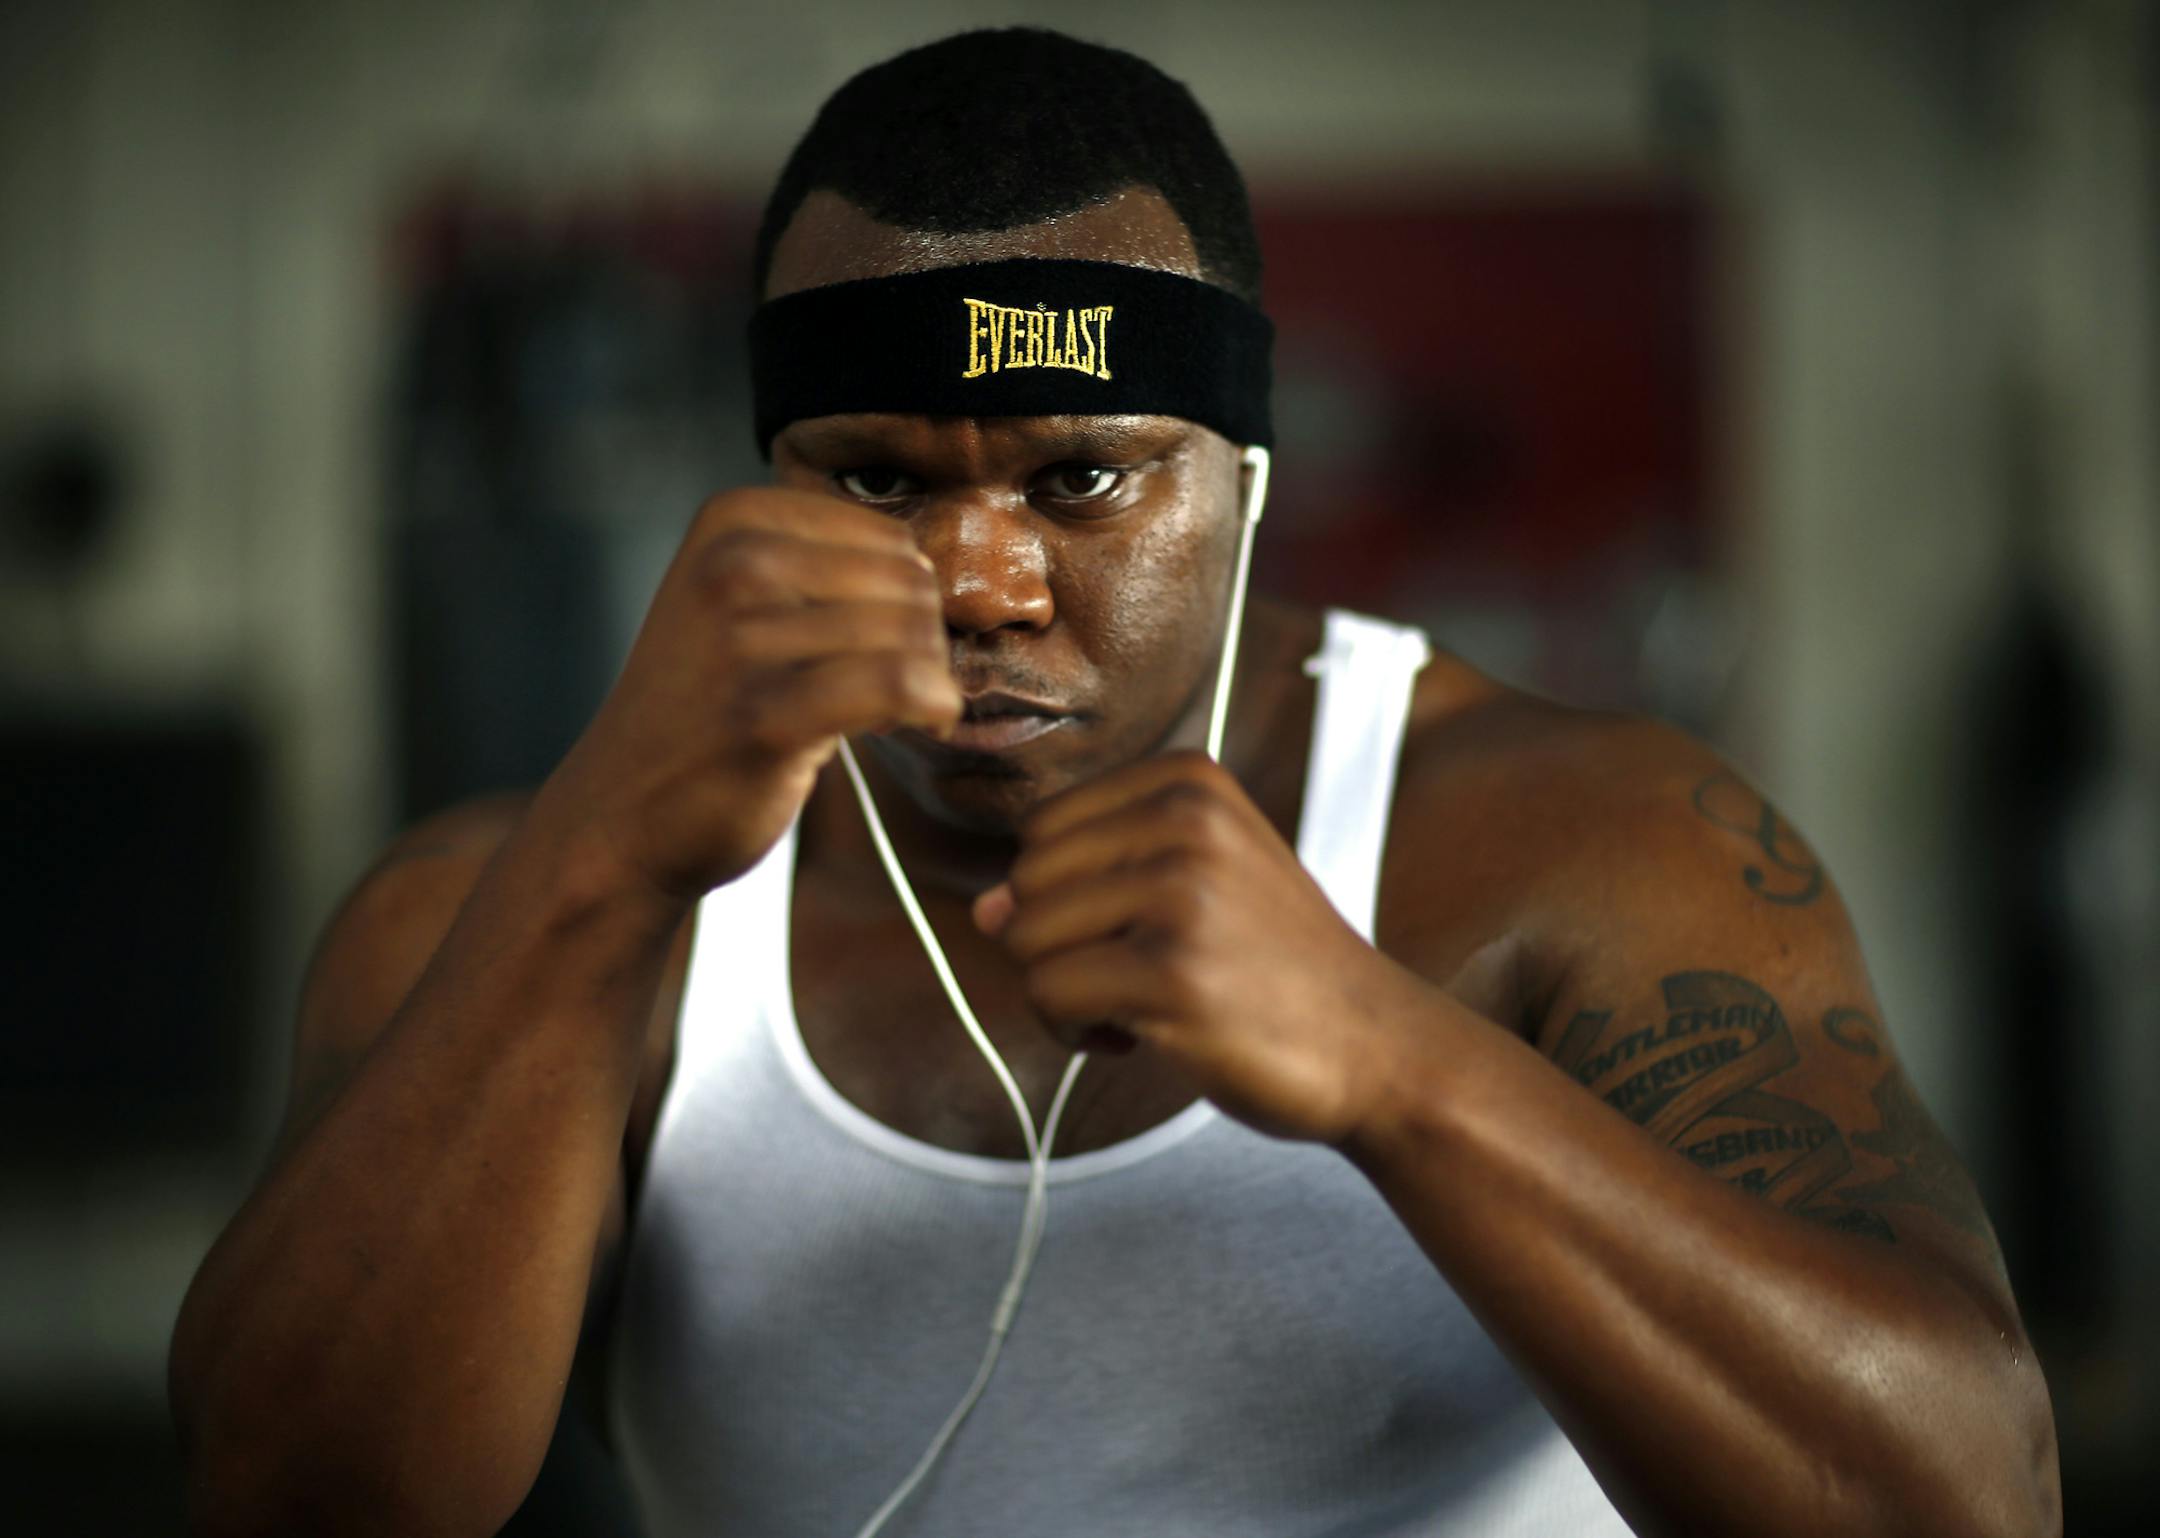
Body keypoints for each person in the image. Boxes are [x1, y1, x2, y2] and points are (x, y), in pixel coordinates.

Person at [170, 27, 2060, 1538]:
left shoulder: (1590, 843)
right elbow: (292, 1501)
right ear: (762, 480)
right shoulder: (526, 904)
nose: (978, 583)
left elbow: (1966, 1498)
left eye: (1082, 477)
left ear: (1243, 469)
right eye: (878, 479)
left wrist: (1399, 1065)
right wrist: (599, 859)